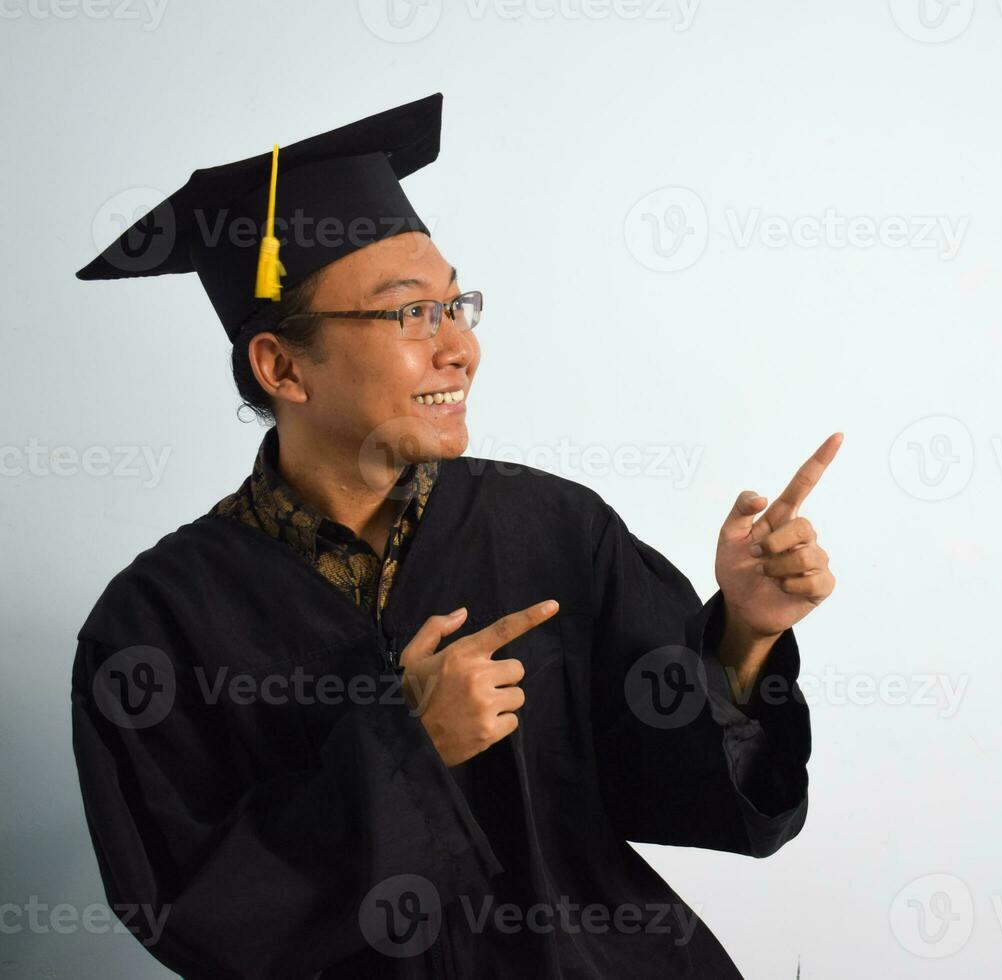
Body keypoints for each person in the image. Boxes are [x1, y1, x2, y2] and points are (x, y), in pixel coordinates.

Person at [71, 92, 841, 978]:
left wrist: (745, 633)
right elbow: (195, 919)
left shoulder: (552, 527)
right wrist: (410, 750)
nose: (459, 349)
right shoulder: (155, 625)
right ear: (281, 365)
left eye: (457, 305)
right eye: (409, 315)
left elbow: (679, 789)